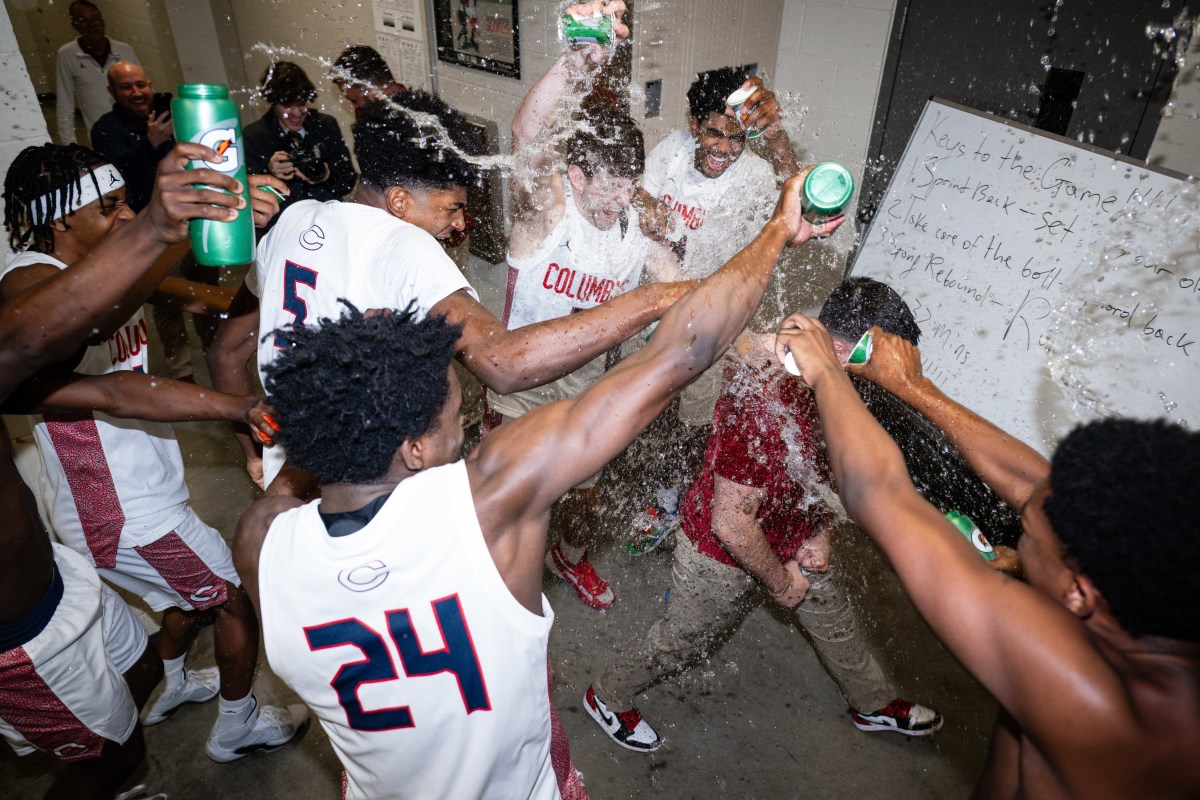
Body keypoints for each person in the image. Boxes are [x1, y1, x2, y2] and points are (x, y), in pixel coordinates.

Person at [231, 145, 843, 798]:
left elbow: (295, 472)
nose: (464, 426)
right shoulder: (491, 507)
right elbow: (681, 355)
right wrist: (778, 230)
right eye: (453, 415)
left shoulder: (259, 540)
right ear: (411, 448)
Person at [777, 315, 1200, 797]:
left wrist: (825, 374)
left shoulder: (1096, 700)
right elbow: (1029, 487)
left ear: (1078, 593)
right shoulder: (1148, 619)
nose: (1022, 518)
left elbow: (880, 492)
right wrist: (914, 387)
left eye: (1027, 536)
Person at [209, 87, 691, 494]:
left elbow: (227, 351)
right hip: (367, 493)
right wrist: (650, 302)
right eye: (450, 208)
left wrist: (254, 453)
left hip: (288, 475)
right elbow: (505, 363)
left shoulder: (295, 217)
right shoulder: (406, 248)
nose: (459, 224)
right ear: (399, 201)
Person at [1, 143, 307, 766]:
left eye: (126, 205)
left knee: (177, 602)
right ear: (59, 220)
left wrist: (287, 283)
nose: (122, 218)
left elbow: (204, 299)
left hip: (133, 494)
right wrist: (163, 226)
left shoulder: (100, 264)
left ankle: (172, 686)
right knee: (232, 599)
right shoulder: (31, 280)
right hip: (122, 510)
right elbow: (88, 351)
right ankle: (235, 726)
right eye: (108, 207)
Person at [585, 277, 941, 753]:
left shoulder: (839, 386)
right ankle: (608, 694)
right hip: (723, 554)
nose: (888, 377)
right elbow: (730, 522)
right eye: (883, 364)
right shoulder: (763, 400)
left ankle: (872, 703)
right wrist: (779, 582)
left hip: (794, 531)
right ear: (847, 351)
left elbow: (829, 469)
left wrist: (822, 531)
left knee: (834, 618)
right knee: (684, 638)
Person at [492, 3, 683, 609]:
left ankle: (568, 560)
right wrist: (573, 67)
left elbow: (686, 290)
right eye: (605, 186)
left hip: (586, 385)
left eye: (629, 186)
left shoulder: (634, 223)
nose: (616, 201)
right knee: (512, 500)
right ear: (575, 176)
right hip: (520, 383)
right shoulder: (546, 209)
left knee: (586, 497)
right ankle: (488, 584)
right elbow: (526, 138)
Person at [627, 66, 803, 553]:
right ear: (692, 124)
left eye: (737, 138)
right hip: (663, 300)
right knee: (652, 401)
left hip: (716, 316)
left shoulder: (752, 177)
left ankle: (673, 502)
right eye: (714, 133)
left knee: (697, 421)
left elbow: (795, 195)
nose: (724, 149)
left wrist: (773, 133)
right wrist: (649, 207)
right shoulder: (673, 150)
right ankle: (656, 486)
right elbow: (638, 190)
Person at [244, 61, 357, 222]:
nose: (297, 113)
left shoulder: (325, 125)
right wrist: (270, 175)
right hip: (284, 224)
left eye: (302, 104)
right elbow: (250, 201)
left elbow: (348, 182)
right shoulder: (254, 136)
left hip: (330, 218)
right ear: (272, 102)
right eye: (288, 106)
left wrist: (327, 175)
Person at [89, 62, 173, 213]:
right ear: (112, 91)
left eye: (141, 85)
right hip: (146, 215)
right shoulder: (105, 129)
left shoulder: (169, 116)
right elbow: (118, 172)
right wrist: (150, 144)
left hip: (185, 202)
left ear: (150, 85)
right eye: (126, 87)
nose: (137, 93)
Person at [55, 1, 140, 146]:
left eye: (95, 18)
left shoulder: (125, 51)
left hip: (136, 135)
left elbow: (145, 93)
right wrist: (70, 146)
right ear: (74, 25)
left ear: (102, 21)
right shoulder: (67, 55)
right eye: (84, 20)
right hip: (103, 140)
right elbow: (65, 104)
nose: (92, 24)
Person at [331, 45, 407, 119]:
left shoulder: (413, 115)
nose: (356, 106)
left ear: (372, 89)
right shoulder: (365, 110)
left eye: (354, 100)